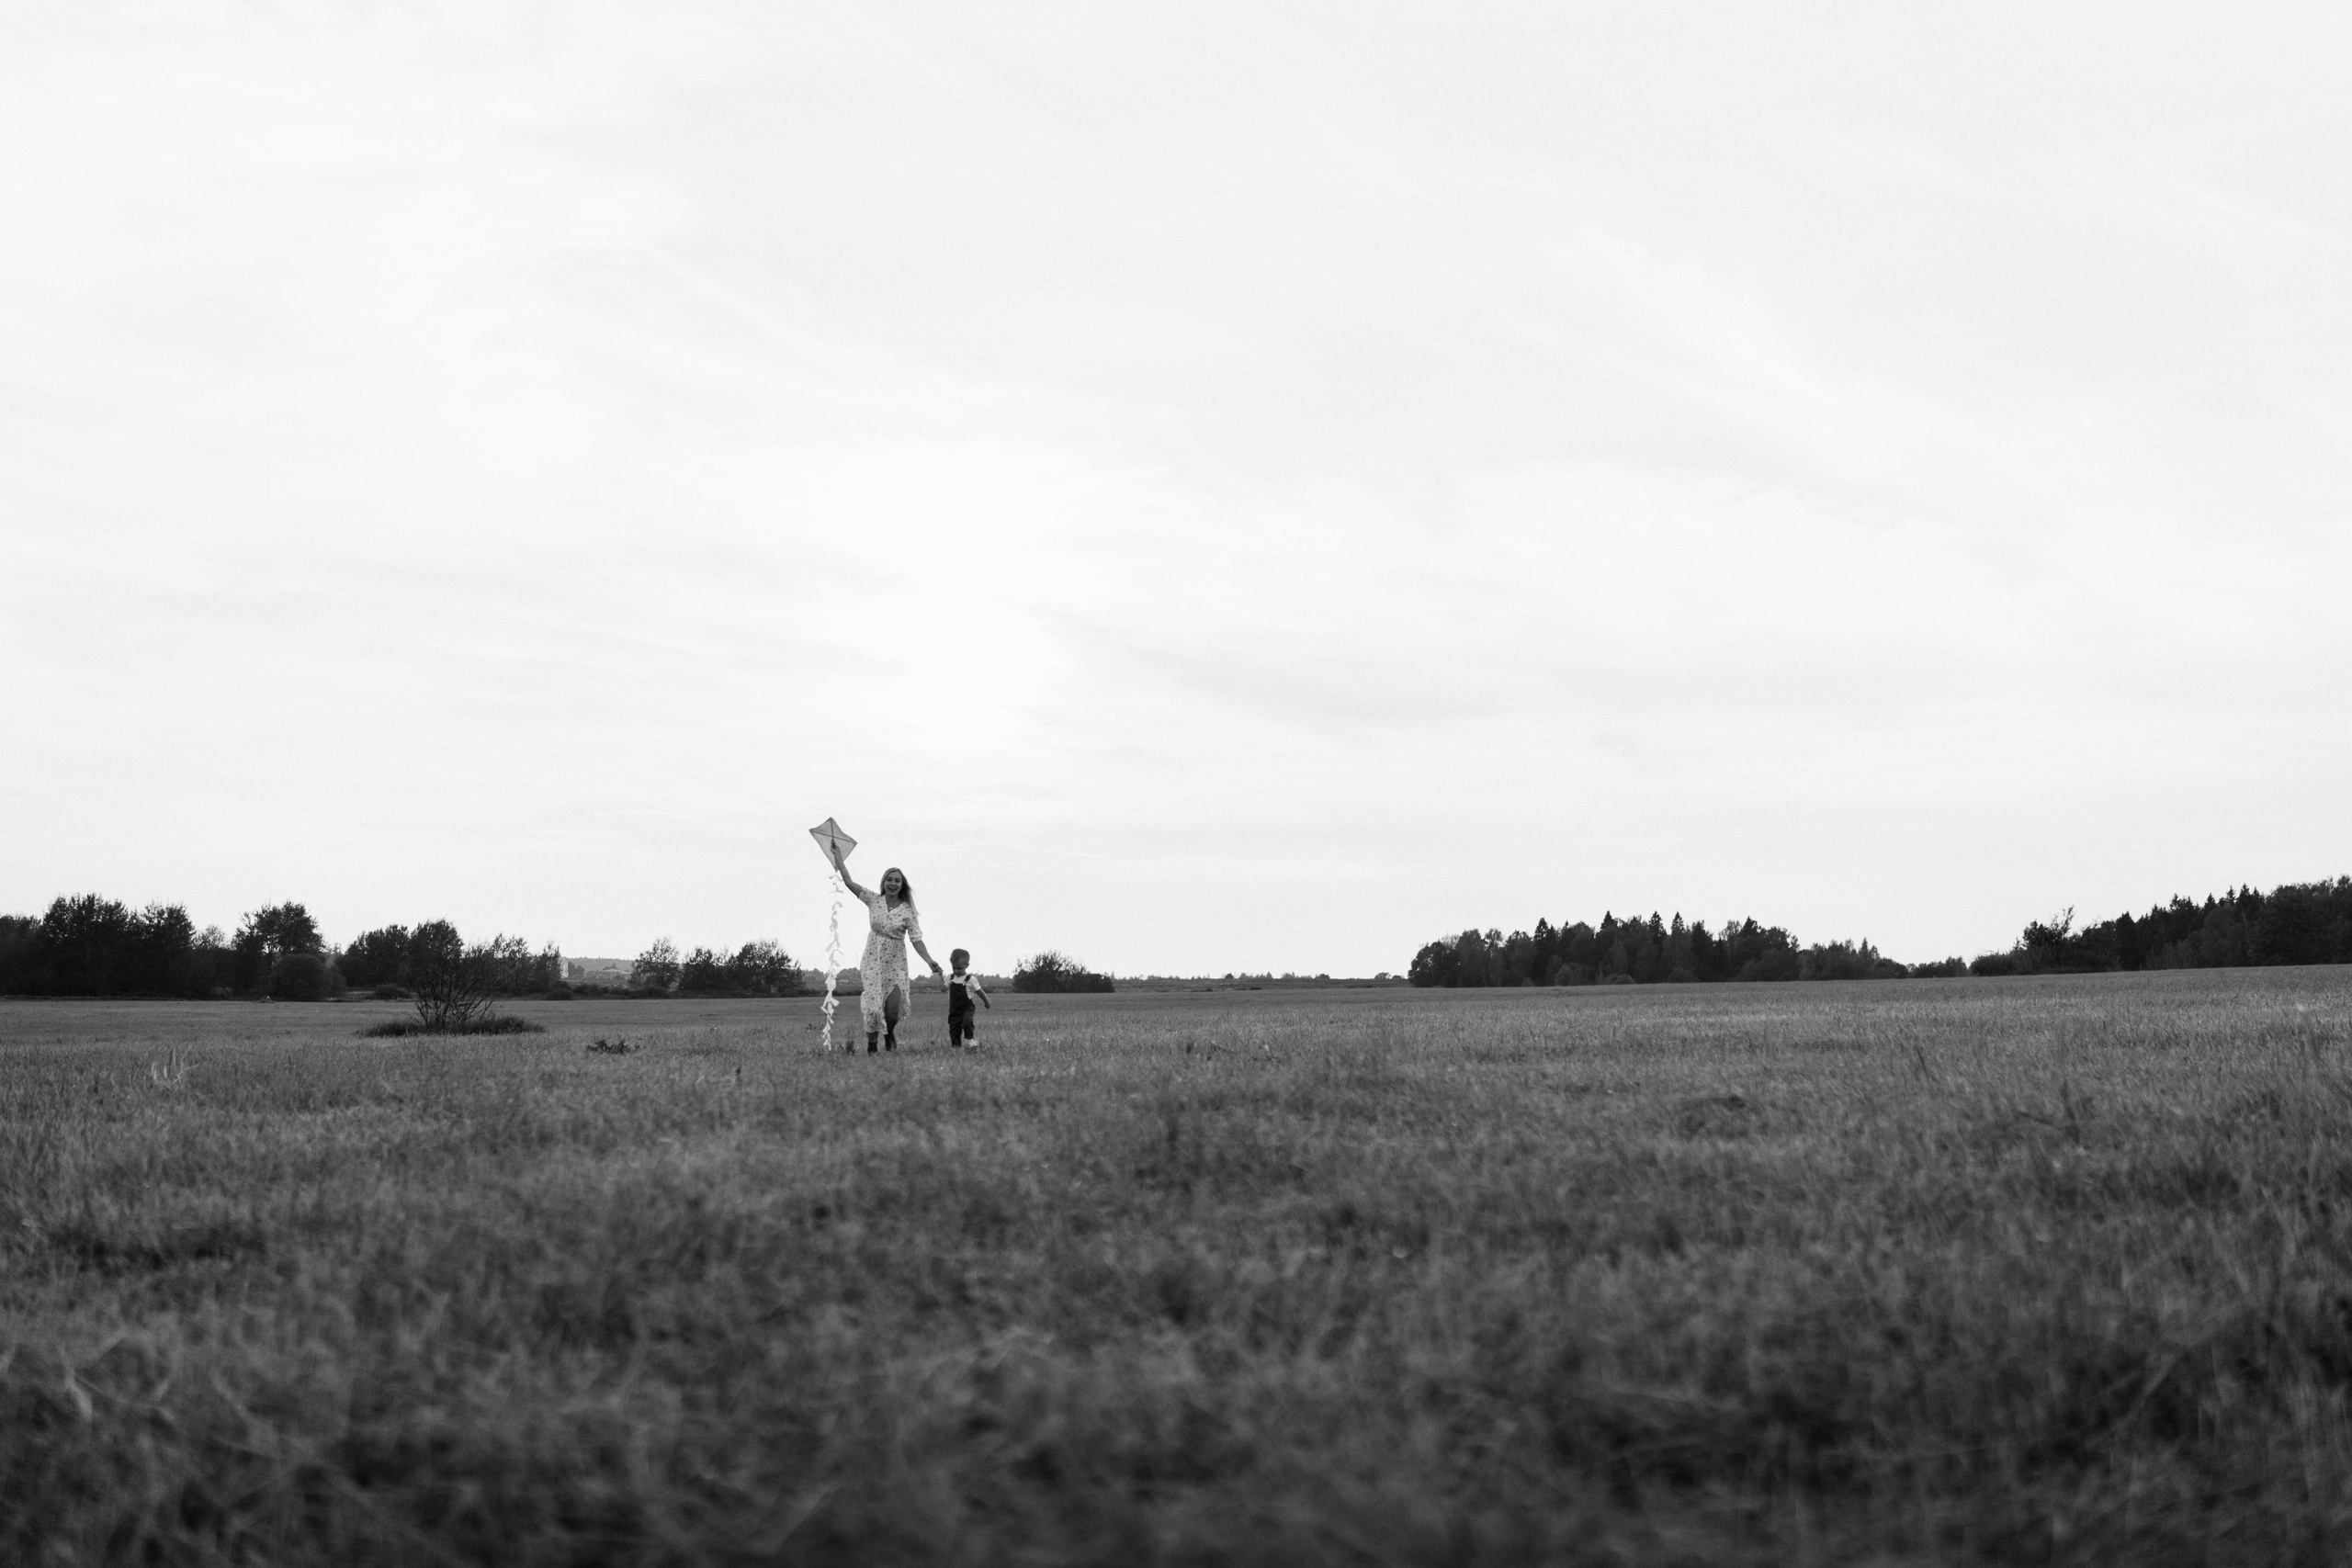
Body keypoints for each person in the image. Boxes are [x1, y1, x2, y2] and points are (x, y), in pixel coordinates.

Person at [830, 845, 943, 1054]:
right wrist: (838, 857)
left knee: (892, 1013)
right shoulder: (874, 900)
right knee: (873, 1007)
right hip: (873, 959)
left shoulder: (908, 911)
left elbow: (916, 939)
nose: (893, 883)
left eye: (897, 881)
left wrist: (929, 960)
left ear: (902, 885)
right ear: (883, 883)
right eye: (889, 880)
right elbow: (848, 881)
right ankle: (872, 1047)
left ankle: (889, 1033)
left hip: (896, 963)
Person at [944, 948, 990, 1050]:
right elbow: (943, 988)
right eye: (954, 968)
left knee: (967, 1021)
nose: (956, 971)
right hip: (954, 1010)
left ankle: (971, 1042)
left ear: (967, 966)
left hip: (967, 1008)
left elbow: (980, 991)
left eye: (959, 969)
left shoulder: (971, 979)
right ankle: (956, 1047)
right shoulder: (950, 978)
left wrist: (987, 1002)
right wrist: (939, 975)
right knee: (954, 1028)